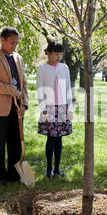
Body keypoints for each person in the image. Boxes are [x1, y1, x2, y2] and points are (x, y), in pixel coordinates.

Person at [0, 27, 28, 183]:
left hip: (17, 108)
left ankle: (14, 174)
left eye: (16, 42)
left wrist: (24, 104)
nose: (15, 46)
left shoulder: (18, 58)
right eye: (11, 42)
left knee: (16, 141)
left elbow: (24, 82)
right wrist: (12, 90)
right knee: (0, 142)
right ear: (2, 40)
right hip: (0, 108)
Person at [36, 41, 73, 178]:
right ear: (48, 53)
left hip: (62, 107)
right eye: (56, 54)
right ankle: (48, 168)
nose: (59, 57)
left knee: (59, 139)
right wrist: (43, 110)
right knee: (51, 139)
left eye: (61, 54)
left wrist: (70, 108)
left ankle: (57, 168)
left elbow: (69, 88)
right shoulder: (42, 69)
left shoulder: (65, 68)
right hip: (49, 107)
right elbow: (40, 91)